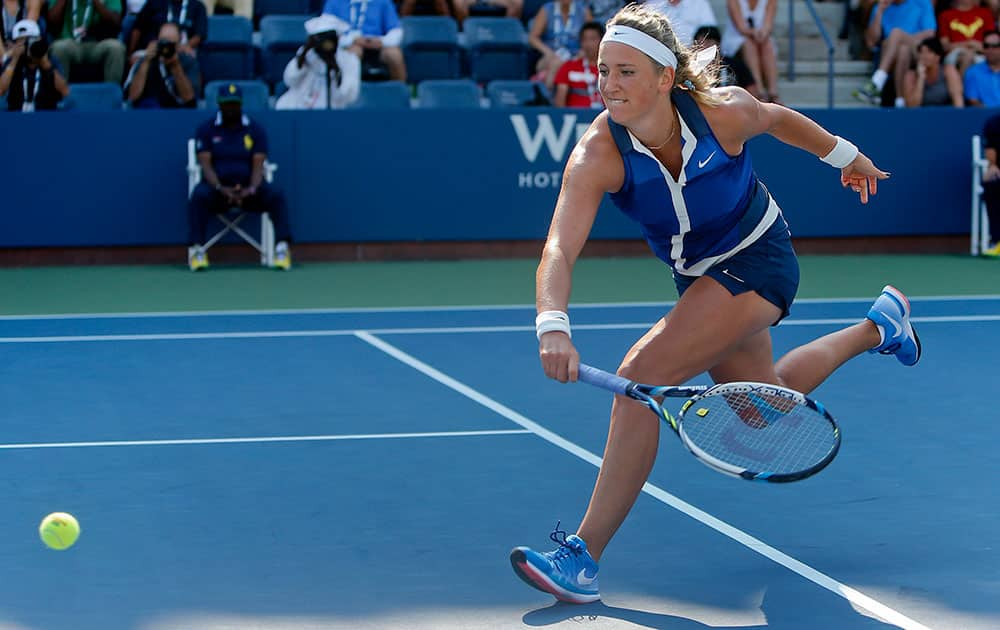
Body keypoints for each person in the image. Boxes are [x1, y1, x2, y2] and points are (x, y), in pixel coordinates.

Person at [509, 3, 921, 604]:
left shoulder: (721, 112)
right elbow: (558, 249)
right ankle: (878, 328)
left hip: (760, 259)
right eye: (603, 70)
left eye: (626, 72)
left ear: (664, 78)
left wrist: (846, 156)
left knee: (638, 379)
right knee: (765, 404)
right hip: (699, 278)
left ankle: (582, 556)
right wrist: (552, 324)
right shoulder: (598, 153)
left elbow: (780, 120)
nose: (609, 85)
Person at [188, 83, 293, 271]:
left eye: (234, 104)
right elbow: (206, 165)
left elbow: (258, 164)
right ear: (219, 104)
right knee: (198, 196)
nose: (231, 108)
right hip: (218, 191)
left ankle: (281, 249)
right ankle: (197, 250)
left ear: (241, 104)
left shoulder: (254, 129)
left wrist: (251, 188)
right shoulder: (206, 129)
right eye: (227, 104)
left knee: (276, 194)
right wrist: (221, 188)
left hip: (249, 190)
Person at [854, 0, 937, 106]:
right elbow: (871, 42)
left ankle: (877, 82)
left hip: (917, 50)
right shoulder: (881, 6)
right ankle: (900, 101)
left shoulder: (922, 2)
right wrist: (879, 12)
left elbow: (930, 33)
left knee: (896, 34)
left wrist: (903, 38)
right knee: (902, 50)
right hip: (891, 54)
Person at [275, 13, 360, 110]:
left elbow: (350, 96)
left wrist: (336, 70)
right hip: (299, 109)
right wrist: (303, 58)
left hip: (332, 113)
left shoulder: (348, 59)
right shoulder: (306, 54)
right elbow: (289, 80)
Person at [322, 0, 406, 82]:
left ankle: (399, 92)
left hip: (378, 45)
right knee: (353, 53)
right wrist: (352, 40)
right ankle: (348, 92)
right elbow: (325, 30)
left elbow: (396, 30)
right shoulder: (334, 2)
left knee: (394, 55)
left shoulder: (383, 2)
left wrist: (382, 41)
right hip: (348, 45)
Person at [47, 0, 127, 84]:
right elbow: (52, 21)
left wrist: (96, 2)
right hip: (70, 42)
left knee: (116, 48)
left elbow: (116, 21)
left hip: (99, 43)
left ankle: (111, 94)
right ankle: (61, 93)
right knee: (58, 48)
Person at [0, 19, 70, 111]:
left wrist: (46, 64)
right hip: (17, 115)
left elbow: (65, 91)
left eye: (29, 40)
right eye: (22, 41)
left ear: (39, 39)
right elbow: (1, 91)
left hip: (46, 115)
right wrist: (14, 60)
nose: (27, 45)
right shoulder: (12, 61)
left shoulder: (50, 60)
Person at [123, 21, 196, 107]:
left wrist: (176, 66)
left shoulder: (188, 61)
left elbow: (190, 99)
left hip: (177, 113)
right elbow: (132, 97)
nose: (166, 48)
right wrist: (146, 61)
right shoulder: (145, 60)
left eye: (171, 44)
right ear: (157, 41)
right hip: (149, 112)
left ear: (179, 43)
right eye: (164, 42)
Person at [721, 0, 780, 102]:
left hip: (760, 38)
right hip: (736, 38)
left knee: (767, 45)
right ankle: (759, 91)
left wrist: (762, 34)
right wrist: (754, 33)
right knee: (750, 45)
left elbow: (768, 25)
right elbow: (741, 27)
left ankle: (773, 92)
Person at [529, 0, 593, 86]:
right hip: (551, 55)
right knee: (554, 63)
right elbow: (533, 38)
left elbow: (592, 36)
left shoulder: (583, 11)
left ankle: (547, 95)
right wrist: (548, 52)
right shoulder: (546, 10)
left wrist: (583, 51)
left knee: (557, 66)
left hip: (576, 56)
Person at [552, 20, 603, 108]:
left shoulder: (610, 69)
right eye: (584, 39)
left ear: (602, 41)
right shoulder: (568, 66)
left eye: (592, 39)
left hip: (605, 118)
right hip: (575, 118)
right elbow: (560, 101)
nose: (588, 44)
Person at [901, 36, 963, 105]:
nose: (924, 55)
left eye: (929, 52)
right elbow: (912, 106)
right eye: (921, 52)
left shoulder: (948, 71)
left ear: (938, 57)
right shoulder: (911, 75)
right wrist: (921, 78)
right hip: (922, 115)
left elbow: (958, 102)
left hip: (945, 114)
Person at [937, 0, 992, 77]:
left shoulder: (985, 13)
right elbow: (945, 46)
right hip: (955, 54)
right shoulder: (945, 15)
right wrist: (969, 44)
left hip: (980, 52)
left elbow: (992, 42)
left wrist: (978, 47)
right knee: (968, 56)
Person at [979, 111, 1000, 256]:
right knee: (992, 182)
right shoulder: (994, 123)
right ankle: (998, 241)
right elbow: (991, 156)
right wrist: (992, 166)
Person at [964, 29, 1000, 106]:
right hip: (986, 116)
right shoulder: (973, 72)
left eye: (995, 46)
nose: (990, 50)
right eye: (986, 46)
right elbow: (973, 100)